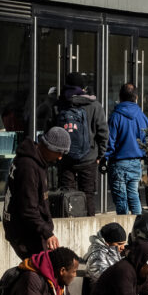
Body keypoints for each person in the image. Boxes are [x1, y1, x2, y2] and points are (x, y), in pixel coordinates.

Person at [3, 127, 70, 259]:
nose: (60, 157)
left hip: (30, 228)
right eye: (59, 152)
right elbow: (28, 208)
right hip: (25, 231)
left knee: (39, 269)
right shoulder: (28, 166)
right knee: (39, 271)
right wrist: (47, 233)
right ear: (49, 147)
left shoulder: (36, 161)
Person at [53, 72, 109, 216]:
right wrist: (100, 155)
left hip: (65, 158)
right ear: (83, 87)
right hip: (89, 158)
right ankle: (89, 227)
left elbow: (52, 131)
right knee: (88, 195)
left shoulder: (59, 105)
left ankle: (67, 225)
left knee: (66, 195)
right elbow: (103, 132)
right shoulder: (94, 106)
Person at [105, 83, 148, 215]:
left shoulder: (115, 116)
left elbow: (110, 141)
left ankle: (123, 231)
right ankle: (137, 228)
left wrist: (105, 157)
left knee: (121, 200)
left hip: (118, 162)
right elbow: (146, 140)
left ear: (120, 97)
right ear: (136, 97)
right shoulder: (142, 117)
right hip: (136, 162)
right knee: (134, 196)